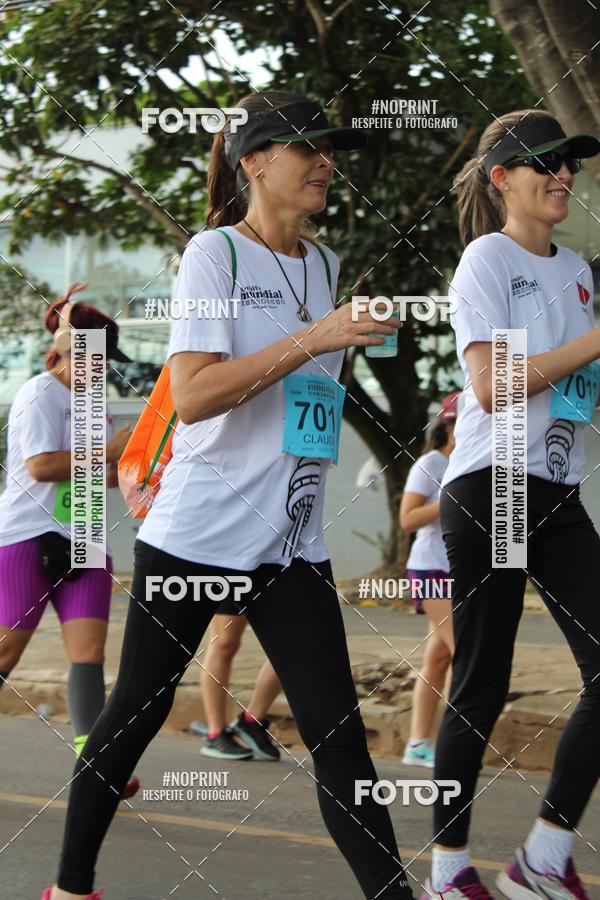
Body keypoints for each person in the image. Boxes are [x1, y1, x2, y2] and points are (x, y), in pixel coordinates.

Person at [43, 91, 415, 900]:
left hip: (289, 545)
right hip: (196, 540)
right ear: (254, 162)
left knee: (339, 736)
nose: (325, 162)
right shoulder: (216, 256)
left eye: (330, 148)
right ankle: (71, 888)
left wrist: (341, 334)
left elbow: (298, 403)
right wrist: (316, 337)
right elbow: (198, 392)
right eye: (305, 146)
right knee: (135, 714)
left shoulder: (321, 265)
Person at [422, 110, 600, 900]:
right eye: (544, 165)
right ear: (502, 179)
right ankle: (448, 872)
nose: (563, 176)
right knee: (483, 681)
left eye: (570, 164)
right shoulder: (485, 260)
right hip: (494, 484)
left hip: (556, 489)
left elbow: (578, 386)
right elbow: (494, 387)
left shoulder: (582, 270)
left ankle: (544, 857)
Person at [0, 285, 139, 799]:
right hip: (27, 538)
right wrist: (110, 449)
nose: (102, 369)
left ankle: (95, 762)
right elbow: (41, 467)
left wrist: (133, 470)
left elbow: (90, 475)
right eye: (95, 357)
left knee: (89, 654)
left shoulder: (91, 405)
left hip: (84, 537)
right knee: (7, 652)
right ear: (65, 352)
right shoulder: (41, 393)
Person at [399, 392, 457, 768]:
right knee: (463, 653)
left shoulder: (474, 463)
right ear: (449, 425)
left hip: (459, 571)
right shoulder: (431, 463)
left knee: (438, 655)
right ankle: (457, 746)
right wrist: (453, 499)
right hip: (429, 569)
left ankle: (417, 745)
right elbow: (408, 519)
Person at [197, 595, 282, 761]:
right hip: (233, 572)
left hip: (281, 571)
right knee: (225, 643)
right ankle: (216, 734)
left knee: (289, 643)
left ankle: (252, 720)